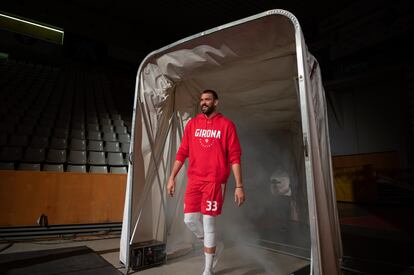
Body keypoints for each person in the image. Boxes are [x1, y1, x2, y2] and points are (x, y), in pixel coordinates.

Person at [167, 89, 245, 275]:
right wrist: (172, 177)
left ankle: (208, 269)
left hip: (215, 181)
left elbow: (235, 157)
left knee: (209, 223)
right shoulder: (193, 124)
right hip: (194, 179)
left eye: (207, 99)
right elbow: (182, 152)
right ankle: (215, 245)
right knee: (190, 220)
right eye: (201, 100)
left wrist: (239, 185)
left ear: (215, 102)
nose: (203, 102)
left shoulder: (226, 125)